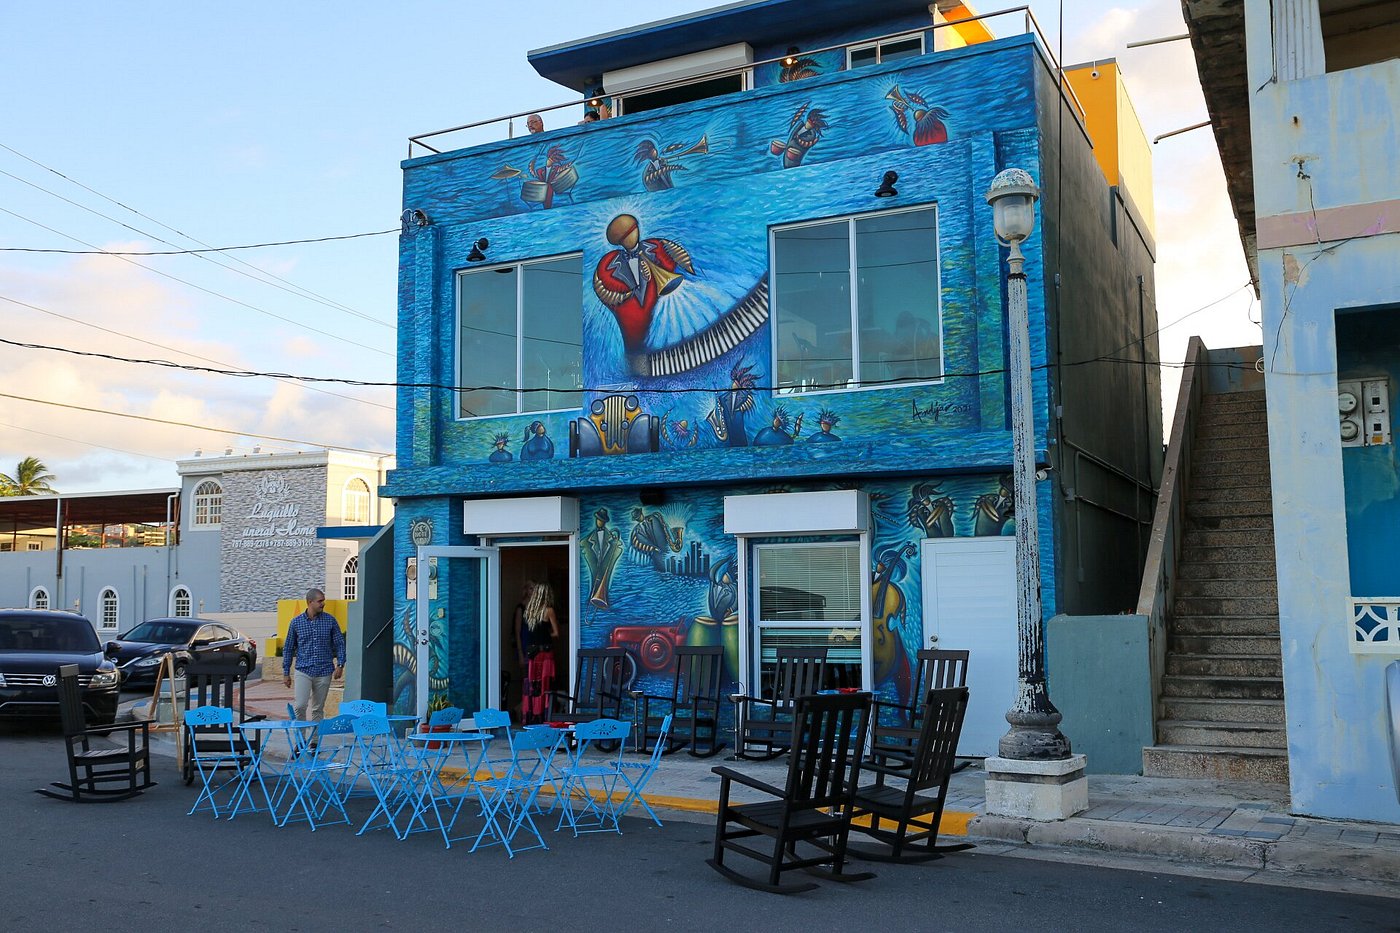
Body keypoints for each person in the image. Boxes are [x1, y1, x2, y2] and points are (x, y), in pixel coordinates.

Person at [282, 588, 345, 727]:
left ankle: (314, 743)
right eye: (320, 601)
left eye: (324, 601)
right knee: (300, 706)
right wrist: (286, 672)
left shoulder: (330, 621)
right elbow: (288, 648)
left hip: (324, 671)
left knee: (317, 709)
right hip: (303, 670)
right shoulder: (296, 623)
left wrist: (340, 664)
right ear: (310, 602)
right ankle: (300, 741)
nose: (323, 604)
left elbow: (340, 643)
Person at [516, 581, 560, 725]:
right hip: (545, 654)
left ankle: (530, 716)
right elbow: (556, 633)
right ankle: (544, 716)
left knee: (532, 685)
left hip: (532, 653)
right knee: (545, 685)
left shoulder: (529, 610)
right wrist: (547, 634)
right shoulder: (549, 611)